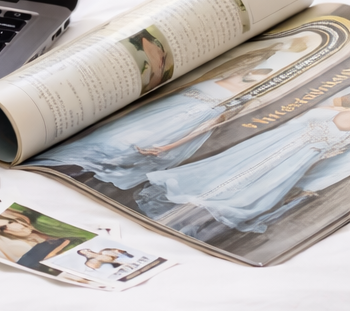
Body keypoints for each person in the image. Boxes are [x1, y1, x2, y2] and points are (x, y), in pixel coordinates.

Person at [31, 39, 314, 189]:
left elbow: (216, 122)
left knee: (120, 153)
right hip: (161, 113)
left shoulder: (248, 95)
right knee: (105, 142)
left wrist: (171, 145)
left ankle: (77, 174)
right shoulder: (220, 75)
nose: (255, 70)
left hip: (180, 125)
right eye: (257, 65)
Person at [138, 94, 350, 234]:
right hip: (272, 143)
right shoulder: (332, 106)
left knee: (250, 192)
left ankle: (191, 221)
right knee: (225, 174)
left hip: (297, 157)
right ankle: (181, 213)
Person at [0, 209, 78, 270]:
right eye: (4, 228)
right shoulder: (6, 244)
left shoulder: (44, 226)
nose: (12, 227)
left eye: (11, 222)